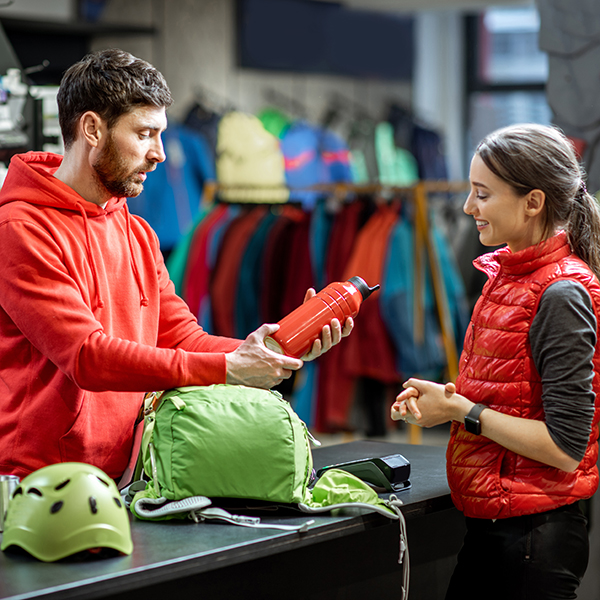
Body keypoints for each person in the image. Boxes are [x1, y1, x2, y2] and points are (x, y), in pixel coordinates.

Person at [0, 48, 352, 483]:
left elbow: (184, 338)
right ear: (92, 128)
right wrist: (229, 369)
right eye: (145, 134)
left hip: (124, 476)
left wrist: (270, 351)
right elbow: (87, 356)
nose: (161, 154)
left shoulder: (138, 234)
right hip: (36, 483)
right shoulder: (20, 229)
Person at [392, 123, 600, 600]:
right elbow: (513, 393)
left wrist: (463, 411)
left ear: (533, 202)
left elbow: (565, 447)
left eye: (482, 194)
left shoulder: (561, 293)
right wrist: (447, 399)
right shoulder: (507, 279)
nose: (468, 208)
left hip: (532, 540)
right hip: (501, 531)